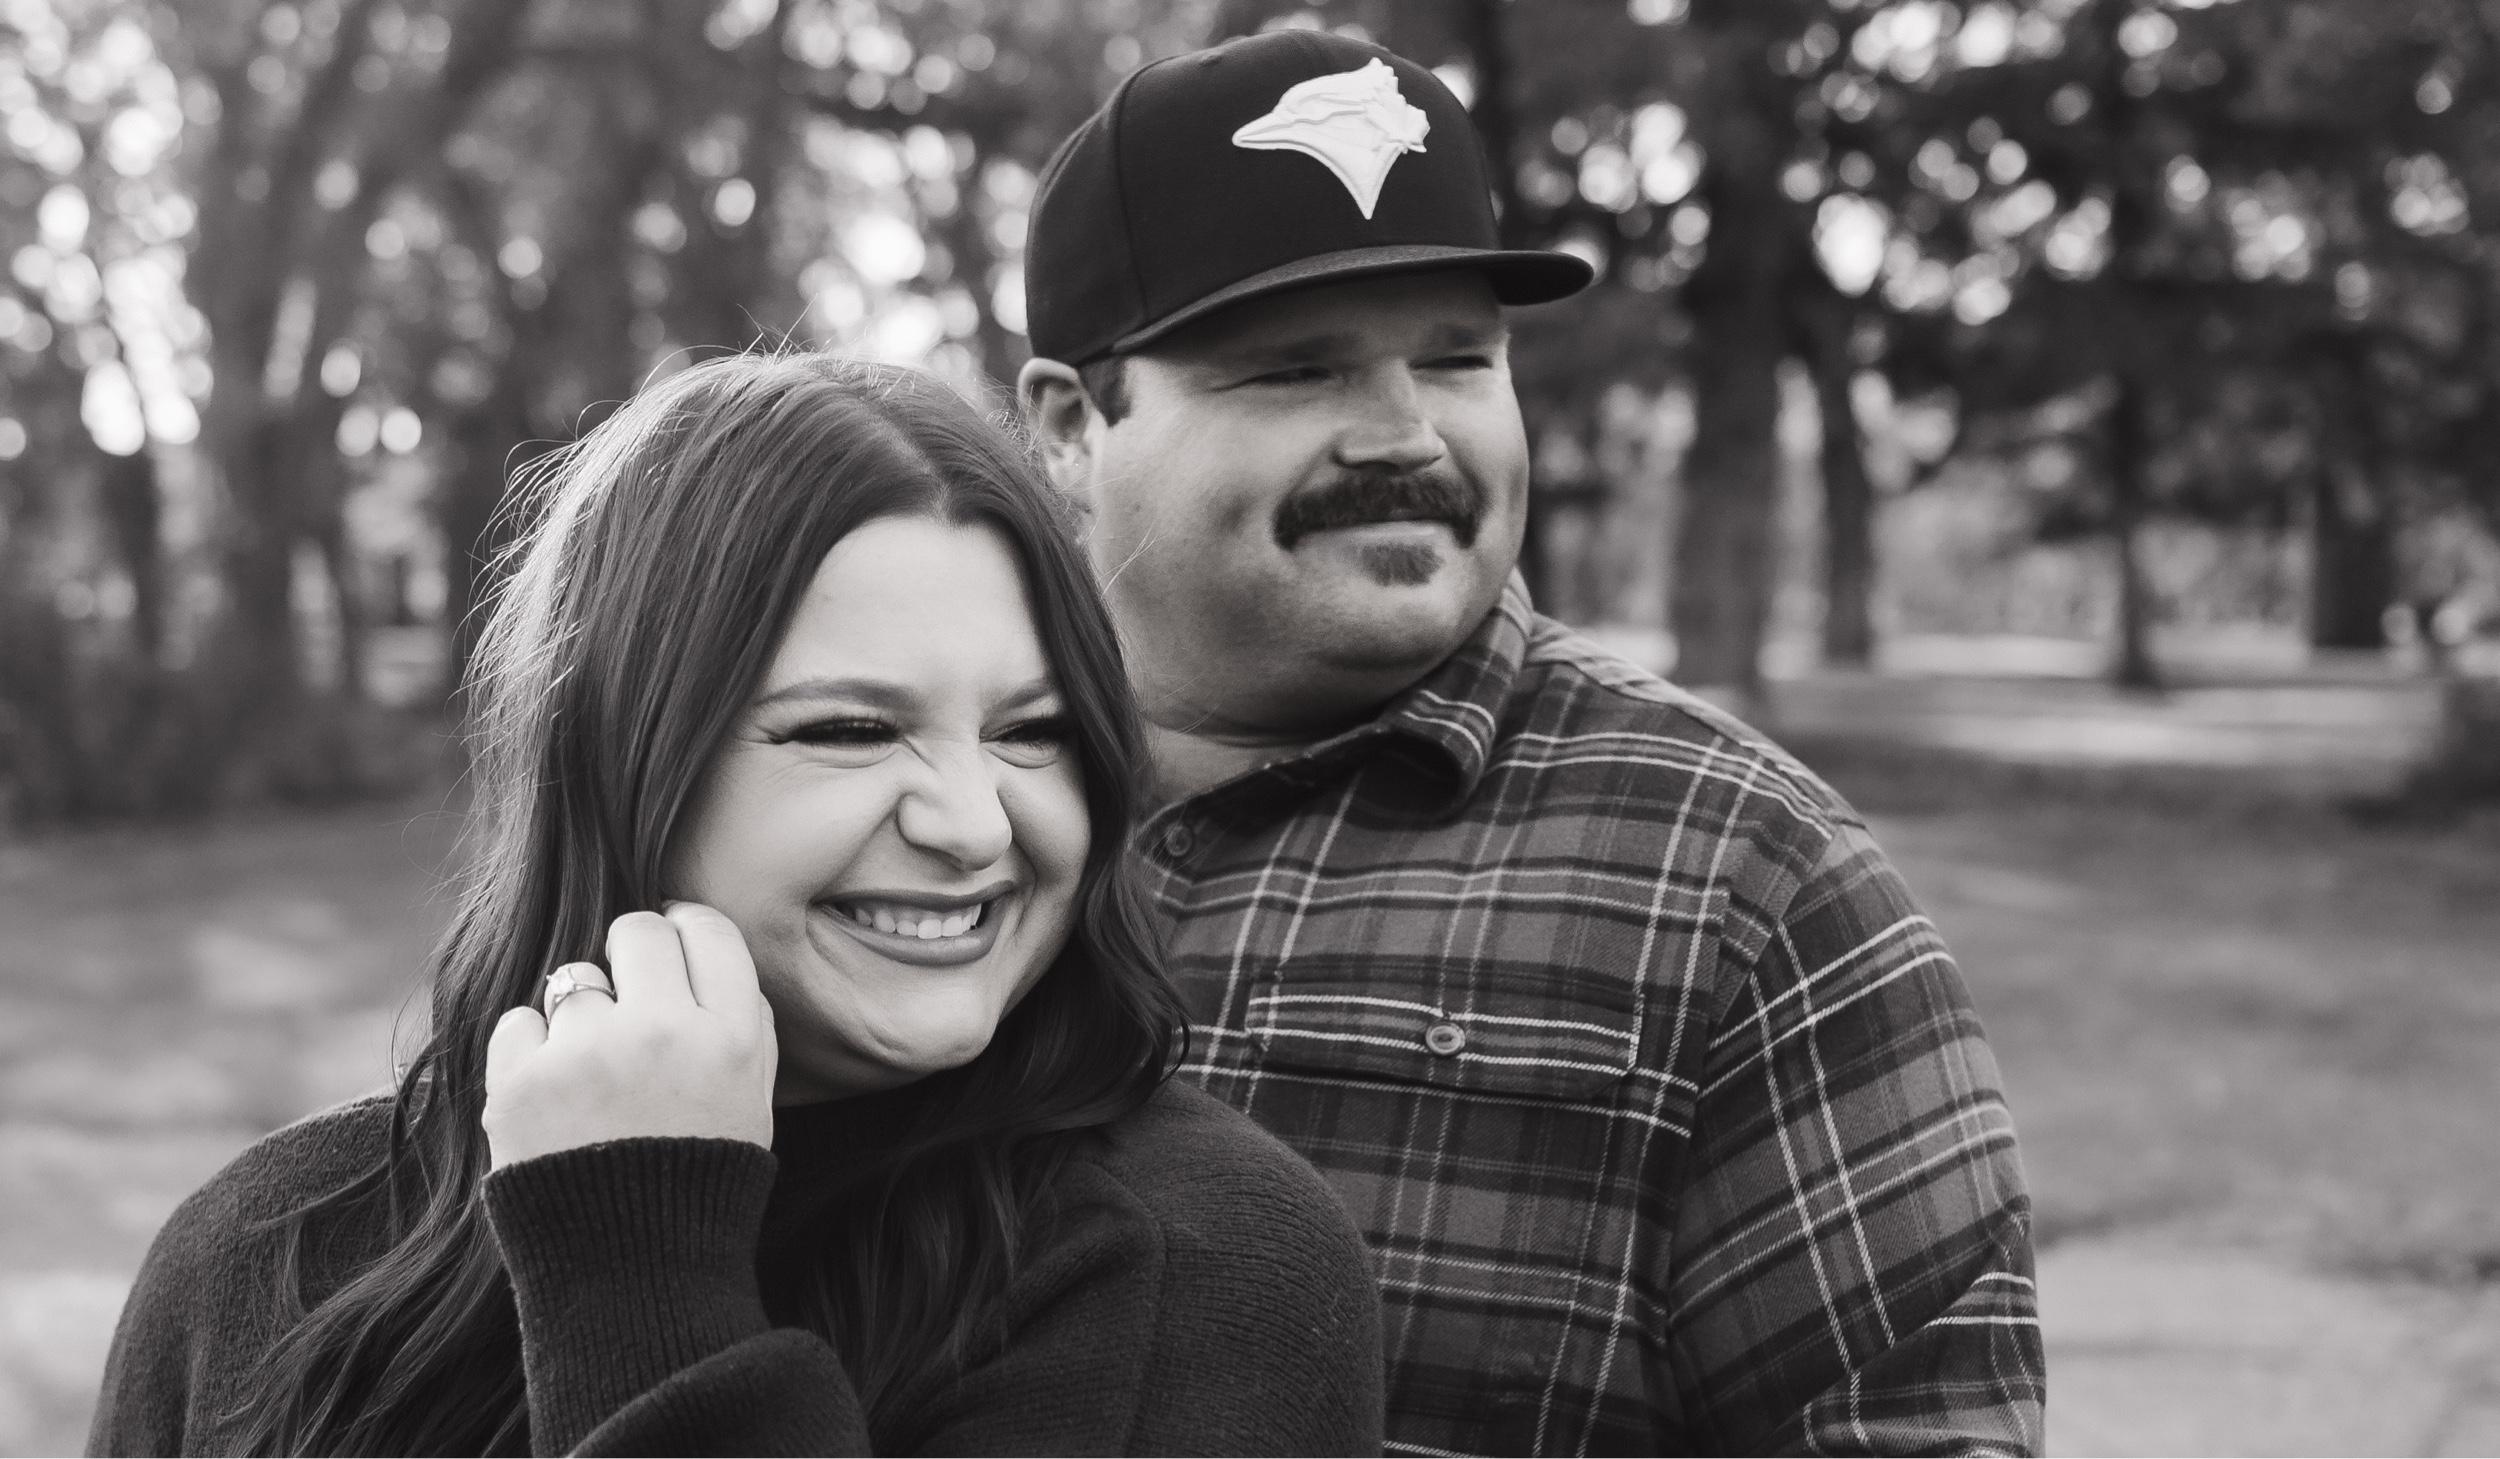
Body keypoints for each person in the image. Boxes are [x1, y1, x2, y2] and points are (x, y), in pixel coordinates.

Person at [1018, 29, 2045, 1456]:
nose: (1404, 435)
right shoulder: (901, 813)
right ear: (1072, 424)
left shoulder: (1745, 883)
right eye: (1295, 370)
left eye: (1458, 359)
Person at [87, 356, 1384, 1456]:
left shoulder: (1203, 1263)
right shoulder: (265, 1253)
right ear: (621, 765)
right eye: (851, 730)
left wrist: (641, 1264)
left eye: (1030, 732)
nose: (978, 825)